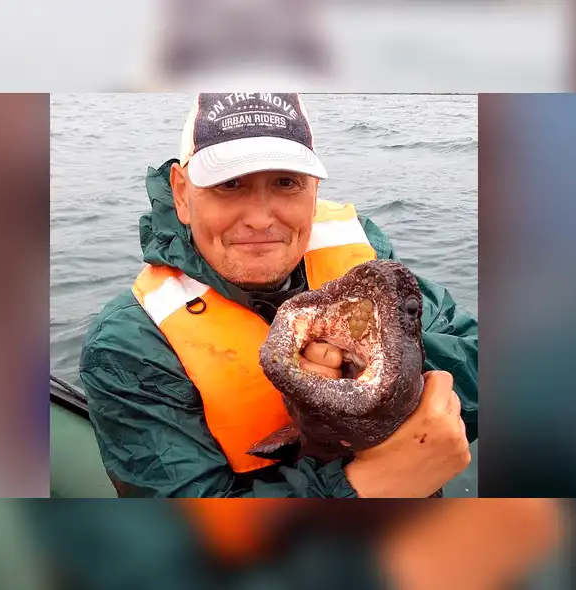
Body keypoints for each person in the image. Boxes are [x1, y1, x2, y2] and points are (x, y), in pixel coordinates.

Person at [79, 92, 478, 498]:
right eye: (229, 184)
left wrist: (373, 373)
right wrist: (368, 485)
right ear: (181, 194)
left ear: (315, 191)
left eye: (286, 182)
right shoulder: (128, 345)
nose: (259, 219)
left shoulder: (365, 263)